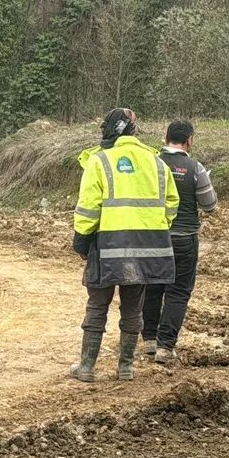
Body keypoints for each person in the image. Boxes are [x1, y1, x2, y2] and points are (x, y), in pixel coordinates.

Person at [70, 108, 180, 383]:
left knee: (97, 305)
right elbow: (171, 205)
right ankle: (126, 368)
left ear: (110, 130)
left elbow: (88, 208)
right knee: (133, 308)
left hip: (107, 245)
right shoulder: (157, 163)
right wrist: (154, 228)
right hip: (146, 248)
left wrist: (81, 239)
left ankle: (86, 368)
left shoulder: (100, 161)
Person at [141, 120, 218, 364]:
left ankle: (149, 340)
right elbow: (210, 206)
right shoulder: (195, 168)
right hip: (185, 239)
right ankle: (165, 347)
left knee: (152, 287)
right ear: (190, 140)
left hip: (153, 236)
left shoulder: (150, 164)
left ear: (165, 137)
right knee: (179, 291)